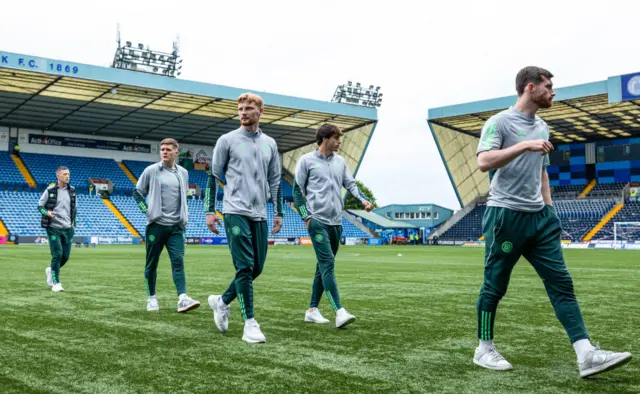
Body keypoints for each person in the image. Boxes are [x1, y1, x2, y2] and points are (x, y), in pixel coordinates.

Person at [474, 66, 632, 378]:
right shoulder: (499, 122)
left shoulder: (543, 127)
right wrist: (523, 145)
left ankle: (585, 353)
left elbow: (542, 172)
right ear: (530, 87)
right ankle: (484, 348)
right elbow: (483, 161)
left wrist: (550, 210)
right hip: (505, 216)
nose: (553, 92)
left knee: (562, 283)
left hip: (540, 219)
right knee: (495, 286)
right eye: (548, 86)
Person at [205, 93, 283, 344]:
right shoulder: (227, 140)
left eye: (249, 108)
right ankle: (249, 323)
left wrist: (278, 212)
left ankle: (222, 301)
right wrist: (209, 211)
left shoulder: (270, 143)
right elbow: (213, 176)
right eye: (240, 109)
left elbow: (276, 181)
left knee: (256, 267)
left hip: (259, 213)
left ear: (261, 112)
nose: (243, 112)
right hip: (234, 210)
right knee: (245, 268)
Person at [293, 123, 373, 328]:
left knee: (323, 267)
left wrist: (363, 200)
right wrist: (306, 218)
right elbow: (296, 191)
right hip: (317, 221)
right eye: (337, 138)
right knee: (328, 264)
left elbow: (351, 184)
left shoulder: (340, 162)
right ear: (325, 138)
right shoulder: (306, 161)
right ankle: (339, 311)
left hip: (336, 222)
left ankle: (312, 310)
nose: (340, 142)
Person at [133, 138, 200, 313]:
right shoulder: (152, 170)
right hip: (156, 226)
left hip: (176, 228)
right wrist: (147, 211)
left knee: (178, 262)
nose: (164, 152)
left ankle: (183, 298)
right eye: (162, 149)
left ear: (176, 153)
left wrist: (183, 216)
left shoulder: (183, 173)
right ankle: (152, 298)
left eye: (168, 149)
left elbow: (183, 197)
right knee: (152, 263)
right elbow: (137, 192)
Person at [38, 166, 76, 292]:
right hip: (53, 228)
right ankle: (56, 283)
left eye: (68, 174)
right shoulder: (50, 190)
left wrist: (73, 225)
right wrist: (46, 213)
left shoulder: (73, 191)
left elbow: (74, 209)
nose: (67, 176)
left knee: (65, 257)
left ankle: (51, 270)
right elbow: (40, 206)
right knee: (57, 255)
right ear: (58, 176)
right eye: (65, 174)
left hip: (68, 229)